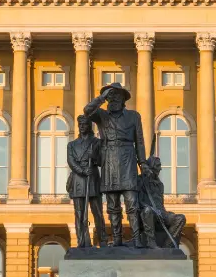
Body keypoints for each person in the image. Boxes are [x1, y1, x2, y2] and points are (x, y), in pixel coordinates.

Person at [83, 83, 146, 247]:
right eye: (111, 96)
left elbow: (139, 141)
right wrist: (101, 98)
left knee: (132, 202)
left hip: (127, 157)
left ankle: (137, 238)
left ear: (124, 99)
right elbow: (87, 110)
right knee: (112, 205)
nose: (114, 98)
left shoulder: (134, 116)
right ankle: (117, 238)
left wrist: (143, 163)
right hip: (109, 157)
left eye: (117, 95)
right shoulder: (102, 115)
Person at [65, 115, 105, 247]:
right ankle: (82, 241)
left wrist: (94, 158)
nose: (82, 126)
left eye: (85, 124)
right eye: (80, 124)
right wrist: (82, 171)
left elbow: (102, 161)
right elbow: (71, 162)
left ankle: (103, 240)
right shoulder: (72, 145)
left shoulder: (96, 142)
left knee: (97, 212)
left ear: (90, 126)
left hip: (93, 178)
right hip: (78, 179)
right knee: (79, 214)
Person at [138, 156, 186, 248]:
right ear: (151, 167)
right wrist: (153, 209)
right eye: (158, 166)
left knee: (180, 218)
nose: (160, 168)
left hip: (161, 213)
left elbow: (160, 204)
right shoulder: (140, 181)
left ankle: (167, 246)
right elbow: (139, 201)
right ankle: (150, 242)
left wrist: (165, 213)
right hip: (148, 213)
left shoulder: (160, 185)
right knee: (147, 211)